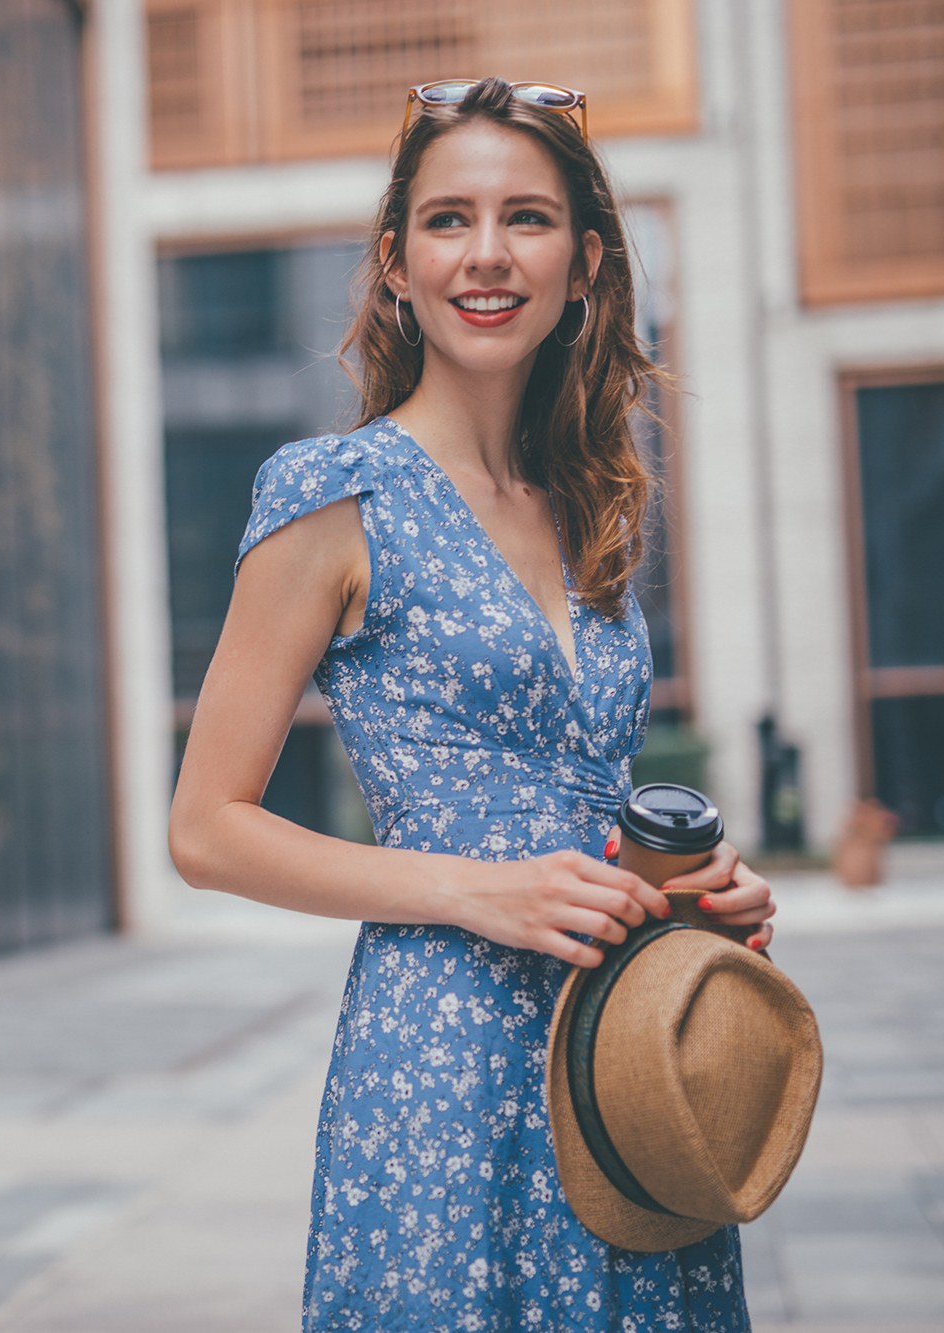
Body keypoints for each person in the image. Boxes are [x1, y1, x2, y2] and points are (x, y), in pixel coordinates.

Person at [167, 78, 778, 1330]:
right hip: (439, 1061)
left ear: (585, 263)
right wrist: (472, 887)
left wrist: (696, 888)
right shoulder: (330, 493)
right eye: (447, 221)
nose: (486, 255)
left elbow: (579, 791)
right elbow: (205, 828)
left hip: (621, 1049)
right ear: (395, 265)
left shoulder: (590, 498)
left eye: (527, 220)